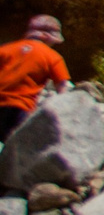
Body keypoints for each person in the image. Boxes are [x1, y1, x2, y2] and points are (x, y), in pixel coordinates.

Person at [0, 16, 70, 144]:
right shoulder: (53, 57)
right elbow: (62, 89)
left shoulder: (5, 49)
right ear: (46, 36)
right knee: (16, 147)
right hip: (21, 108)